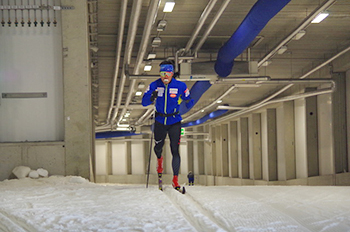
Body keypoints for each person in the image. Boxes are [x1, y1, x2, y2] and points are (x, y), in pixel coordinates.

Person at [142, 60, 194, 190]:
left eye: (168, 73)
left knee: (175, 150)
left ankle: (175, 180)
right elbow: (143, 103)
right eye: (162, 73)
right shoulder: (154, 85)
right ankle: (160, 162)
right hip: (160, 121)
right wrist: (151, 97)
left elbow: (190, 99)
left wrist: (187, 103)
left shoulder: (180, 86)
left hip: (175, 121)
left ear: (172, 73)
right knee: (158, 147)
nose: (165, 76)